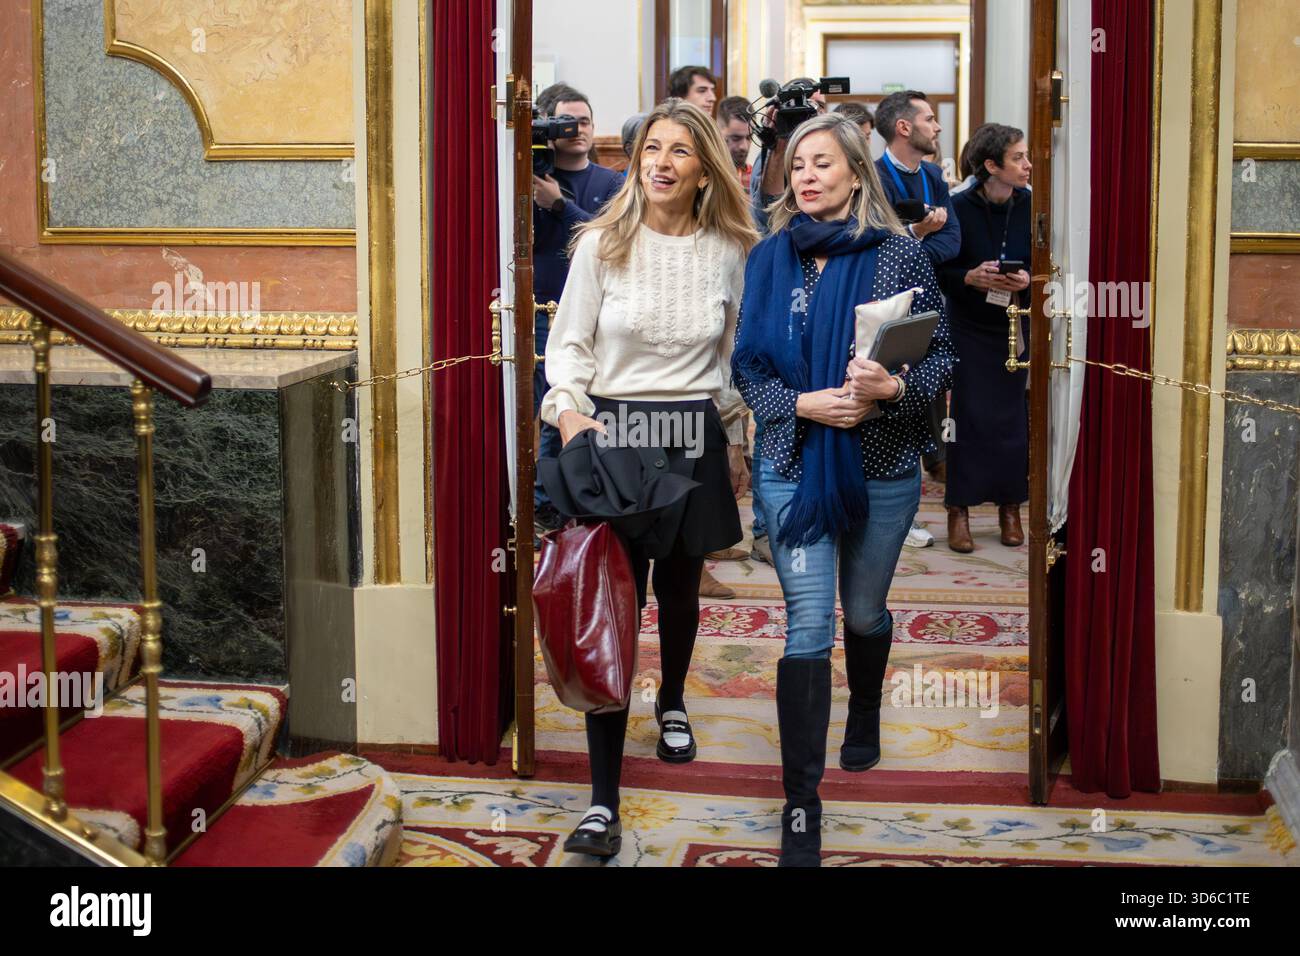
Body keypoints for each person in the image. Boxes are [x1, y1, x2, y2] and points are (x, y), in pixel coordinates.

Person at [732, 113, 954, 866]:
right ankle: (802, 802)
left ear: (856, 173)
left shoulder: (898, 255)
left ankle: (863, 709)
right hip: (792, 462)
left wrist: (893, 388)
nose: (807, 176)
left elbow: (940, 355)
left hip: (882, 465)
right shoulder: (769, 258)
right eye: (798, 164)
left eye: (823, 163)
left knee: (861, 611)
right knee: (806, 626)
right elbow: (746, 366)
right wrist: (801, 404)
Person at [541, 98, 757, 857]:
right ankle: (602, 802)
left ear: (705, 171)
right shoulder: (601, 244)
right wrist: (571, 415)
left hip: (693, 429)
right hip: (615, 432)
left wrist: (733, 436)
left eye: (679, 152)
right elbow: (568, 346)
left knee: (681, 590)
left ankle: (671, 702)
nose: (661, 163)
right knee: (612, 606)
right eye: (651, 150)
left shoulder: (730, 249)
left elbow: (731, 357)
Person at [531, 85, 626, 539]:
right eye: (567, 122)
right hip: (537, 312)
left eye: (585, 121)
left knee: (578, 405)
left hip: (595, 313)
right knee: (543, 409)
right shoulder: (526, 178)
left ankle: (567, 502)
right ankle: (536, 504)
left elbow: (612, 241)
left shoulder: (611, 183)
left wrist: (559, 205)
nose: (579, 130)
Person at [936, 123, 1032, 552]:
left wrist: (1027, 279)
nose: (1027, 165)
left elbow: (1046, 262)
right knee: (967, 419)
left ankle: (1010, 507)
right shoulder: (957, 207)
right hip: (969, 327)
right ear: (992, 166)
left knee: (1012, 420)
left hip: (1013, 324)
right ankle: (959, 509)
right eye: (1018, 158)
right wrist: (969, 277)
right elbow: (939, 270)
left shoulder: (1032, 205)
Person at [873, 91, 963, 546]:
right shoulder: (874, 176)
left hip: (927, 306)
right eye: (929, 118)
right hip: (884, 309)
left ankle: (907, 503)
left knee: (922, 397)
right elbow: (875, 241)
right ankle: (888, 513)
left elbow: (953, 241)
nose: (938, 126)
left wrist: (910, 245)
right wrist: (916, 233)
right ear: (904, 127)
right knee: (886, 403)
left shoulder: (932, 175)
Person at [717, 95, 754, 189]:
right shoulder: (701, 177)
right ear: (718, 133)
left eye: (749, 138)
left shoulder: (757, 179)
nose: (744, 146)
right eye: (736, 138)